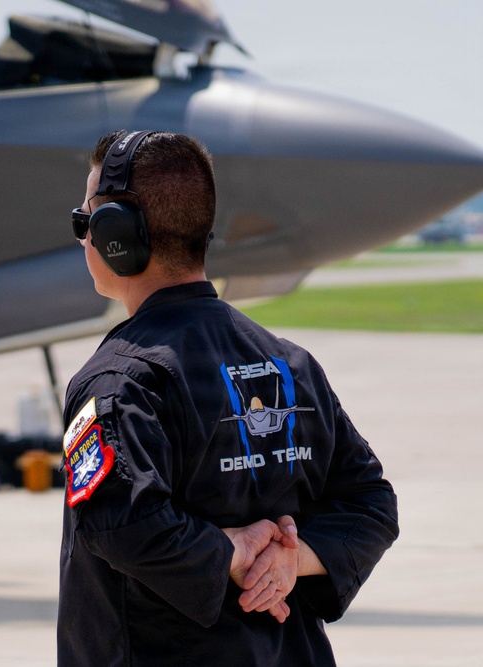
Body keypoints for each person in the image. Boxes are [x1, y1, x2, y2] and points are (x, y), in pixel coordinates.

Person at [57, 130, 399, 666]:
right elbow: (371, 504)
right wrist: (292, 561)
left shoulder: (119, 382)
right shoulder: (292, 364)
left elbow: (122, 522)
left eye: (85, 223)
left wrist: (235, 554)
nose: (84, 241)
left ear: (117, 234)